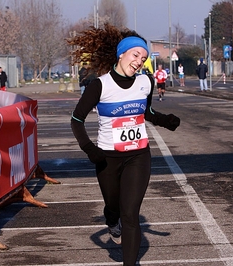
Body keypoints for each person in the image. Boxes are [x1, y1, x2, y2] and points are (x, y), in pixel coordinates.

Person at [68, 24, 180, 266]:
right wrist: (90, 149)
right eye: (135, 55)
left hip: (138, 156)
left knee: (130, 214)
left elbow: (147, 112)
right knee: (113, 207)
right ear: (122, 54)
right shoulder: (100, 85)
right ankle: (111, 221)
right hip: (107, 157)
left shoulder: (146, 83)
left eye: (144, 57)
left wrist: (165, 121)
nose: (139, 61)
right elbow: (77, 119)